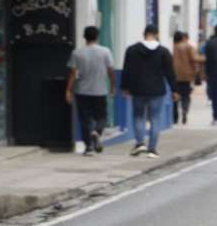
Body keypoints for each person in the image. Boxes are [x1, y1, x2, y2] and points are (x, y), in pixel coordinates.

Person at [121, 25, 178, 159]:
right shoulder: (163, 51)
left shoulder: (132, 50)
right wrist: (175, 90)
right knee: (155, 118)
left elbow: (126, 70)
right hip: (157, 90)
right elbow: (170, 73)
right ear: (157, 34)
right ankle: (152, 149)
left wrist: (125, 87)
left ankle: (140, 143)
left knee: (138, 116)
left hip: (138, 89)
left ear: (144, 34)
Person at [65, 26, 115, 156]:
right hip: (100, 91)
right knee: (102, 117)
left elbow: (73, 73)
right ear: (97, 37)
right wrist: (113, 86)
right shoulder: (105, 52)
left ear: (84, 37)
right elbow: (111, 71)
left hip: (82, 92)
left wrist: (68, 90)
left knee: (85, 120)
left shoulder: (77, 53)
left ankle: (88, 147)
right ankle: (97, 132)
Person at [173, 31, 203, 125]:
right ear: (183, 38)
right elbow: (195, 58)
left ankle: (175, 116)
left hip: (175, 75)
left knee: (175, 95)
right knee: (186, 96)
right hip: (187, 75)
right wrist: (205, 58)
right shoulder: (189, 47)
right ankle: (185, 111)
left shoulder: (173, 48)